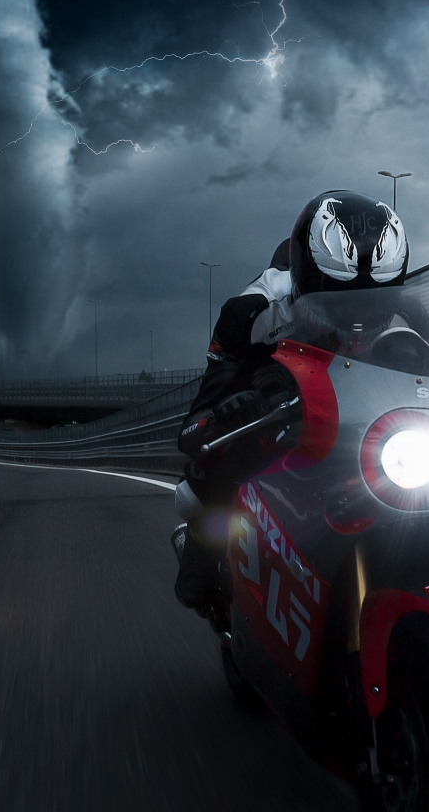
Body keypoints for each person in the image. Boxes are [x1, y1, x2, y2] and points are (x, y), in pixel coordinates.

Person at [171, 189, 410, 622]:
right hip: (278, 398)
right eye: (338, 295)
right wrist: (231, 409)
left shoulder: (408, 319)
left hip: (362, 418)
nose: (356, 316)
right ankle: (201, 560)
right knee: (215, 468)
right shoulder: (251, 314)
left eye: (372, 299)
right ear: (305, 279)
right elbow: (198, 422)